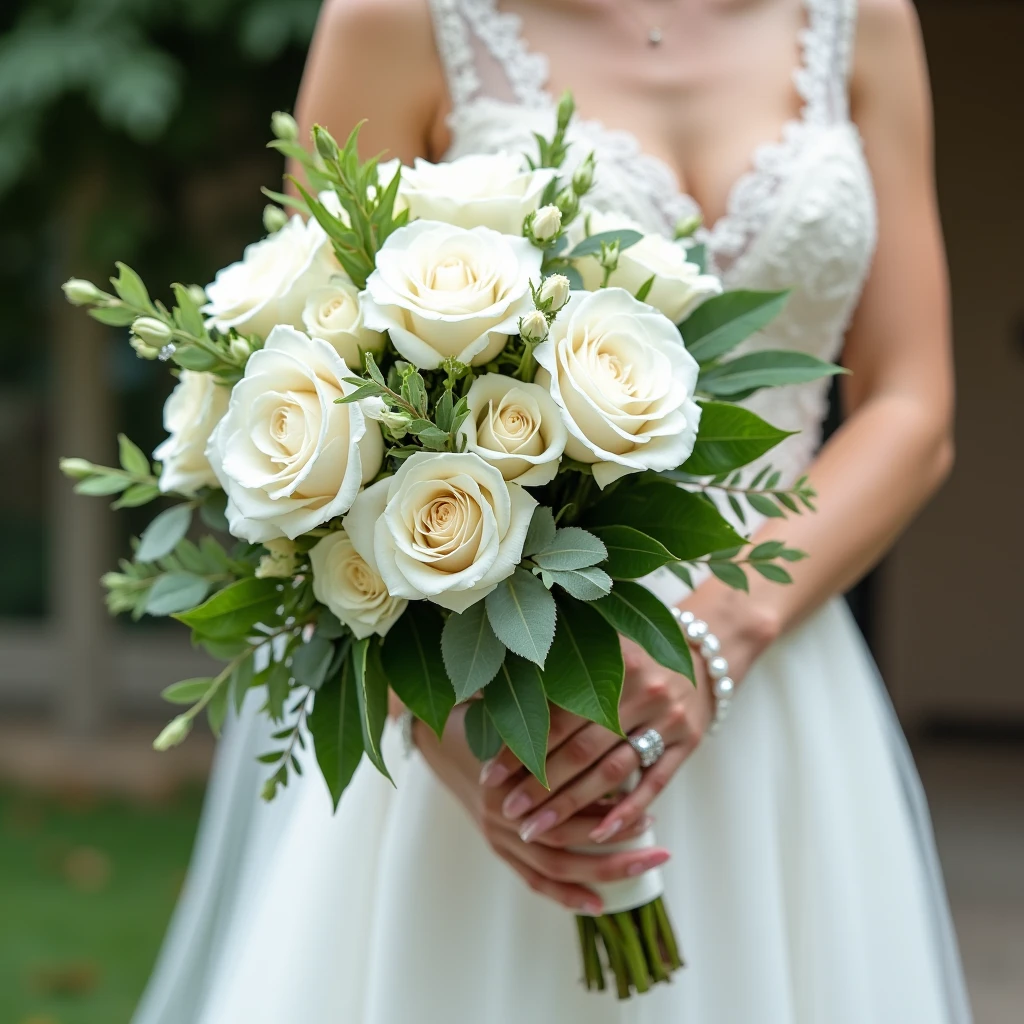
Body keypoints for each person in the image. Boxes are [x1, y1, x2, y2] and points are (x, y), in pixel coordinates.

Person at [133, 1, 973, 1021]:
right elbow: (310, 387)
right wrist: (477, 756)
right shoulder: (393, 19)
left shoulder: (863, 19)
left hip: (775, 651)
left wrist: (714, 635)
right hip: (498, 689)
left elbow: (910, 403)